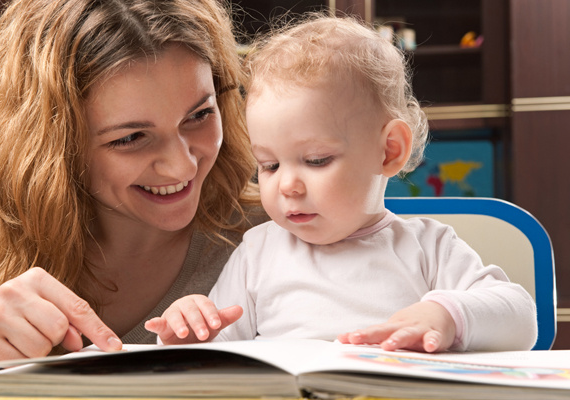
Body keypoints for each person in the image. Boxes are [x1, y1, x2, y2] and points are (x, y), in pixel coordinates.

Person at [147, 15, 538, 353]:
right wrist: (188, 332)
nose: (288, 186)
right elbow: (218, 354)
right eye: (268, 165)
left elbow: (520, 317)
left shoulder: (428, 248)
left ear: (388, 151)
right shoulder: (258, 252)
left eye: (316, 160)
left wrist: (446, 316)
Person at [0, 0, 264, 365]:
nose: (181, 166)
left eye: (200, 115)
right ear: (51, 145)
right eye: (130, 138)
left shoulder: (283, 233)